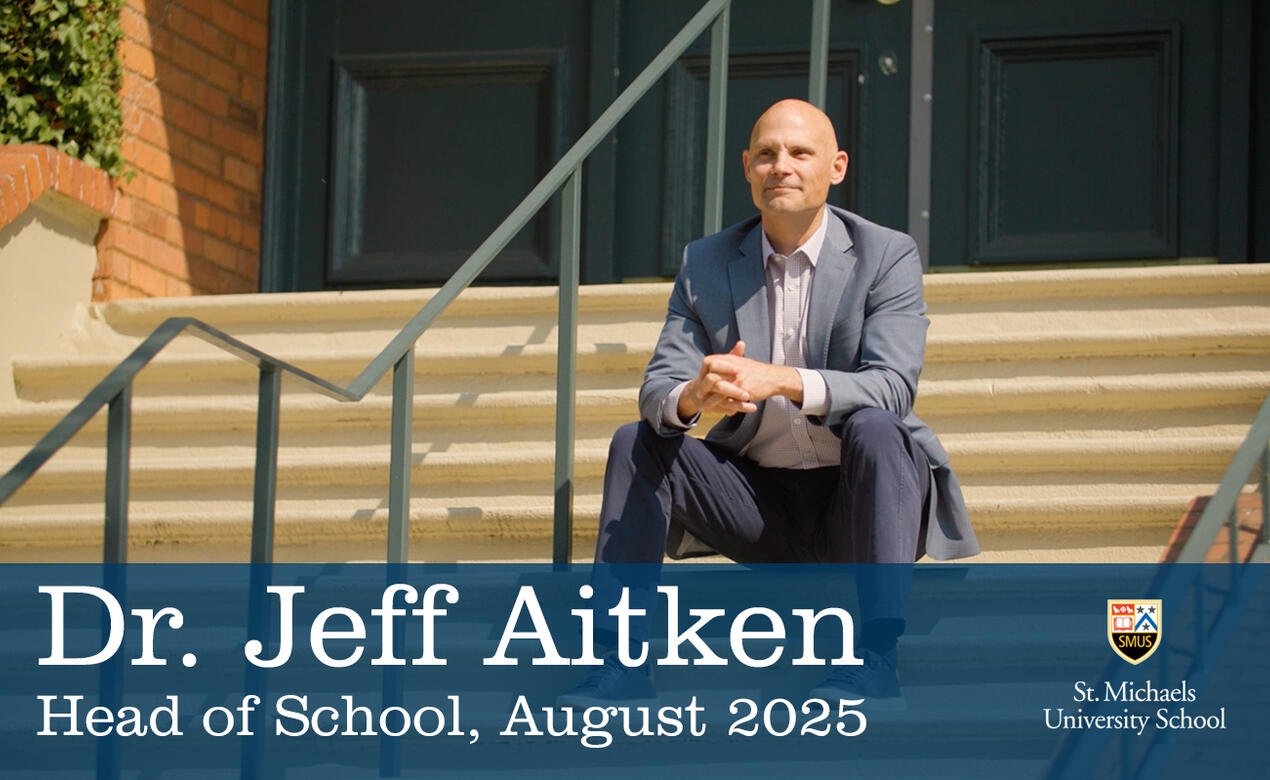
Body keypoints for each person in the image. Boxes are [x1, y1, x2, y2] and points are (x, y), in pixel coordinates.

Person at [559, 99, 979, 708]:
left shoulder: (887, 254)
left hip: (863, 504)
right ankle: (619, 665)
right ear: (747, 168)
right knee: (638, 440)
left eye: (799, 153)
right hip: (760, 508)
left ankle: (877, 656)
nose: (781, 166)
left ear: (836, 167)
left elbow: (892, 385)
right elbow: (657, 390)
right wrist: (693, 397)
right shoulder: (706, 263)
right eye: (766, 154)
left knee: (880, 429)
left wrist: (778, 380)